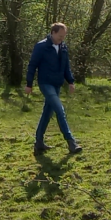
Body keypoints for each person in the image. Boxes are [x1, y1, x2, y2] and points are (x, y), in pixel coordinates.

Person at [25, 23, 82, 156]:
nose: (62, 38)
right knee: (59, 109)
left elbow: (66, 66)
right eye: (60, 36)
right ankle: (71, 141)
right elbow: (32, 65)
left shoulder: (63, 47)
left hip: (57, 84)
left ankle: (39, 142)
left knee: (47, 112)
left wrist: (71, 81)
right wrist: (29, 84)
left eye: (64, 36)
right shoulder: (41, 46)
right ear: (53, 33)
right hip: (45, 83)